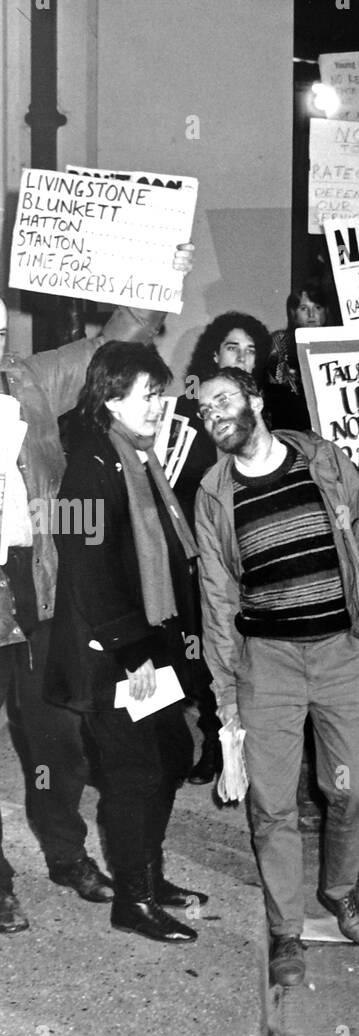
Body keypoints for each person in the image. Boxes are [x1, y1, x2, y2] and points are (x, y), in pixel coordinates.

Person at [0, 246, 192, 935]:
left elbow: (113, 349)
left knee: (55, 744)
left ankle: (67, 856)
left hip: (27, 601)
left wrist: (157, 276)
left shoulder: (25, 383)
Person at [194, 367, 359, 986]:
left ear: (255, 399)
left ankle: (340, 890)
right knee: (272, 803)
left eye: (223, 400)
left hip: (340, 654)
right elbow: (217, 594)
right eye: (203, 411)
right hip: (268, 664)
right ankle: (285, 929)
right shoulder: (213, 492)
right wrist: (227, 688)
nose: (214, 414)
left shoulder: (325, 461)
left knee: (354, 789)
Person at [44, 342, 204, 944]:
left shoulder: (138, 459)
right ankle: (132, 901)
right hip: (113, 657)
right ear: (111, 397)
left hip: (148, 647)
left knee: (167, 760)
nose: (160, 406)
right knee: (135, 772)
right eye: (149, 395)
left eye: (161, 393)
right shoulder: (89, 462)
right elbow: (84, 568)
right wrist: (133, 653)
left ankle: (149, 879)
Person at [173, 310, 273, 783]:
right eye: (233, 348)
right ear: (214, 355)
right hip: (205, 557)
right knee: (210, 651)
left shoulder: (276, 412)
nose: (243, 357)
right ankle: (216, 741)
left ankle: (264, 745)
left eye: (252, 350)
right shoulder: (183, 417)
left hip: (263, 554)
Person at [265, 279, 330, 431]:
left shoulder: (338, 341)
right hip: (294, 423)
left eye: (317, 307)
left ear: (326, 312)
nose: (312, 314)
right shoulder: (281, 341)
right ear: (293, 313)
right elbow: (278, 386)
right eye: (303, 308)